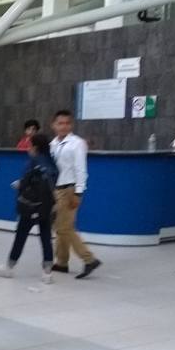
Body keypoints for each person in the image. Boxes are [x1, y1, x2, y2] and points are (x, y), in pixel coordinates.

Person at [0, 133, 59, 283]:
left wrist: (19, 184)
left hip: (30, 206)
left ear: (35, 147)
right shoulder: (51, 162)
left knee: (21, 235)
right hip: (46, 205)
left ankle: (9, 266)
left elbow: (26, 182)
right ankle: (47, 272)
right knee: (46, 237)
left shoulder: (33, 162)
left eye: (30, 146)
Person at [50, 110, 102, 279]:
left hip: (70, 190)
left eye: (67, 123)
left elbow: (81, 170)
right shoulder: (53, 144)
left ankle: (89, 259)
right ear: (54, 125)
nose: (64, 126)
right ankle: (62, 262)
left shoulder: (77, 143)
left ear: (71, 125)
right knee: (60, 228)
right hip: (57, 189)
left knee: (64, 228)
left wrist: (78, 193)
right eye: (60, 123)